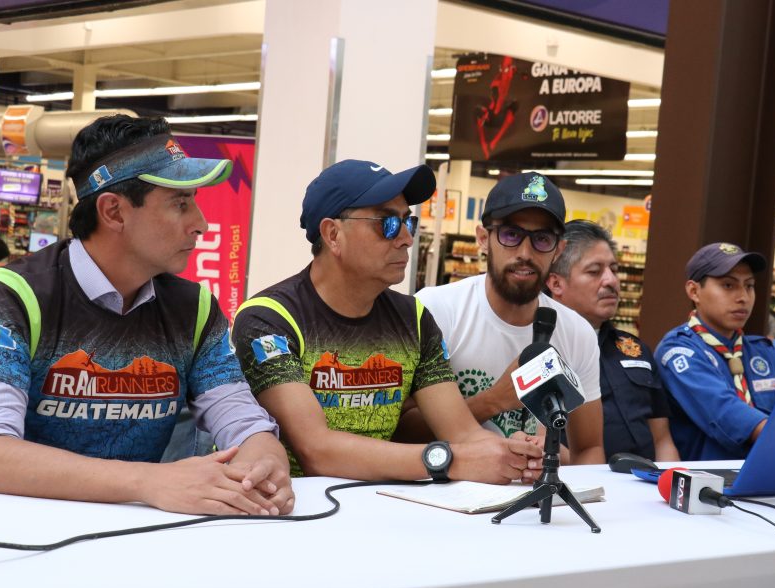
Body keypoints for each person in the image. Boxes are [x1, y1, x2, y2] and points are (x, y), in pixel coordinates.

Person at [0, 114, 293, 516]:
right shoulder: (8, 297)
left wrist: (264, 464)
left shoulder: (194, 308)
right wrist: (148, 481)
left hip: (137, 537)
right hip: (24, 535)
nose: (201, 224)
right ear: (114, 212)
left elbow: (244, 421)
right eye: (180, 203)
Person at [231, 159, 541, 484]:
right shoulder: (269, 319)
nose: (407, 238)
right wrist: (447, 460)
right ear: (333, 234)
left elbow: (463, 433)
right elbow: (316, 450)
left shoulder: (414, 319)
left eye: (409, 222)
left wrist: (511, 453)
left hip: (382, 503)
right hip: (287, 504)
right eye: (388, 223)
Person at [410, 172, 604, 464]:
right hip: (444, 487)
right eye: (511, 235)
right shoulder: (435, 309)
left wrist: (551, 454)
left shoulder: (577, 333)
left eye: (542, 239)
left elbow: (589, 449)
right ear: (483, 239)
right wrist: (494, 400)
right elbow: (399, 431)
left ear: (558, 250)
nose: (525, 253)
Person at [546, 220, 680, 462]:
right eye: (594, 271)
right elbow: (534, 437)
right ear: (556, 283)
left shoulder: (635, 350)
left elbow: (662, 440)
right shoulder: (539, 350)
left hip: (646, 481)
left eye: (614, 270)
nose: (611, 281)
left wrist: (670, 480)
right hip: (573, 480)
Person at [655, 242, 775, 460]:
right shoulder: (679, 351)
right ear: (694, 291)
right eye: (728, 285)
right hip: (710, 478)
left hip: (771, 471)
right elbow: (725, 412)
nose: (743, 297)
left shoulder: (763, 352)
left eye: (749, 286)